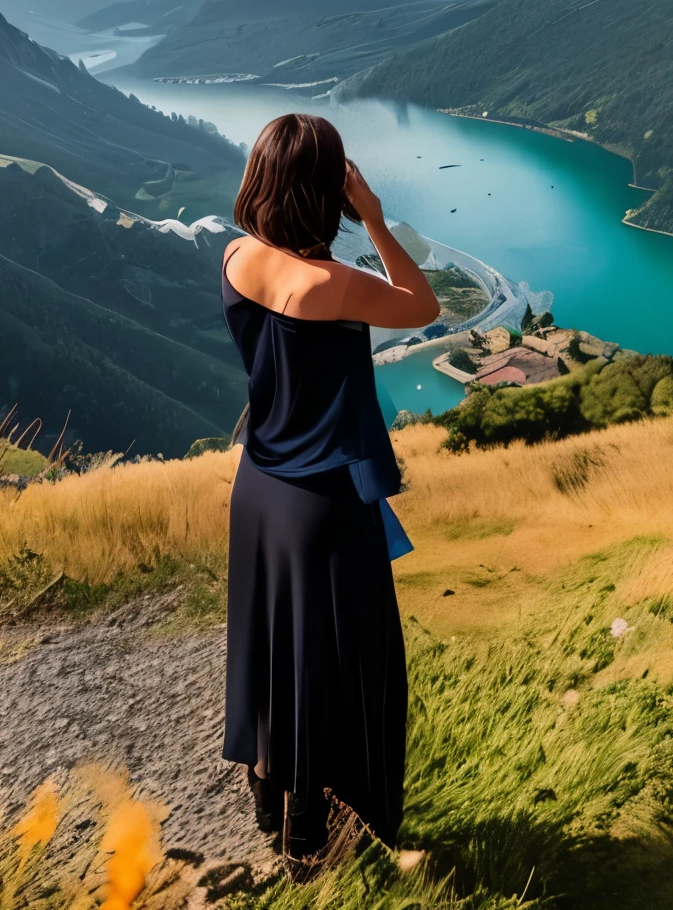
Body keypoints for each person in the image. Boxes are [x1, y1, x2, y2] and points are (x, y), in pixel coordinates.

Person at [221, 112, 439, 862]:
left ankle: (272, 805)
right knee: (345, 665)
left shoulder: (237, 259)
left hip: (258, 490)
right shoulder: (335, 285)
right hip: (324, 506)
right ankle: (320, 835)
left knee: (277, 655)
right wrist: (375, 219)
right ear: (327, 191)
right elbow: (422, 303)